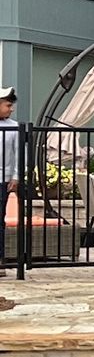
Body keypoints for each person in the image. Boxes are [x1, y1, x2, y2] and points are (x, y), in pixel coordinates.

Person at [0, 87, 18, 262]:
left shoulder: (14, 127)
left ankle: (0, 260)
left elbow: (20, 153)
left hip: (2, 180)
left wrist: (16, 176)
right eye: (8, 105)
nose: (11, 109)